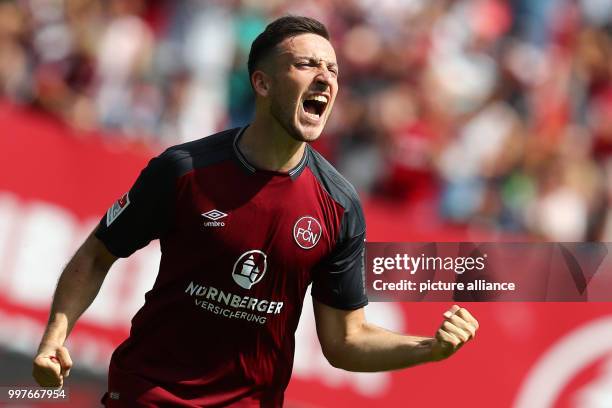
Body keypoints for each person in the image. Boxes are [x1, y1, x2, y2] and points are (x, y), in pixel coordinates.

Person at [32, 16, 479, 407]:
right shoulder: (184, 169)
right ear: (262, 83)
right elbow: (96, 255)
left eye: (333, 69)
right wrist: (56, 336)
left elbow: (345, 340)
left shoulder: (339, 206)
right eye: (306, 64)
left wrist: (428, 348)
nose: (325, 76)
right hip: (148, 395)